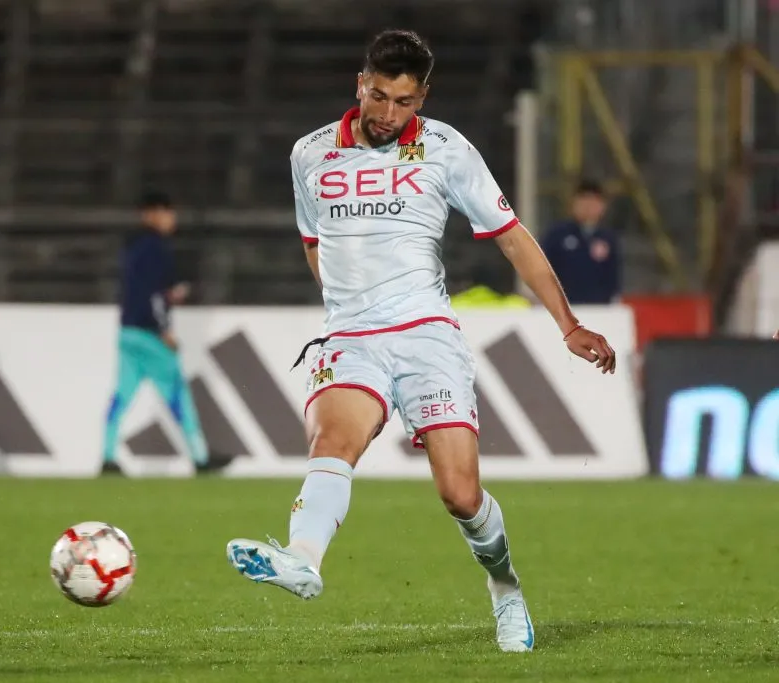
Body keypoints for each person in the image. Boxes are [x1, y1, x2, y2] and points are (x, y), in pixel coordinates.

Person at [225, 30, 617, 653]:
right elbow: (312, 237)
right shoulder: (309, 155)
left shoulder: (446, 150)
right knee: (333, 441)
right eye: (378, 96)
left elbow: (512, 236)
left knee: (460, 494)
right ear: (361, 83)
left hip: (425, 335)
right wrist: (339, 307)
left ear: (422, 97)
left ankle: (506, 589)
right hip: (350, 336)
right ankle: (302, 558)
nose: (387, 114)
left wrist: (567, 324)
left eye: (403, 102)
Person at [102, 191, 209, 474]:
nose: (172, 219)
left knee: (121, 396)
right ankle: (200, 457)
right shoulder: (158, 248)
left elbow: (142, 290)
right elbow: (155, 295)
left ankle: (107, 456)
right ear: (155, 213)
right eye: (168, 212)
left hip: (128, 331)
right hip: (150, 334)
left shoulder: (132, 247)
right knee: (177, 394)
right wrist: (164, 329)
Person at [539, 180, 621, 304]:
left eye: (594, 202)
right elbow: (543, 270)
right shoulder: (557, 235)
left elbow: (613, 277)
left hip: (599, 309)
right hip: (564, 307)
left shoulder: (608, 239)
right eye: (584, 201)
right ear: (573, 204)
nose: (588, 206)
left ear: (603, 206)